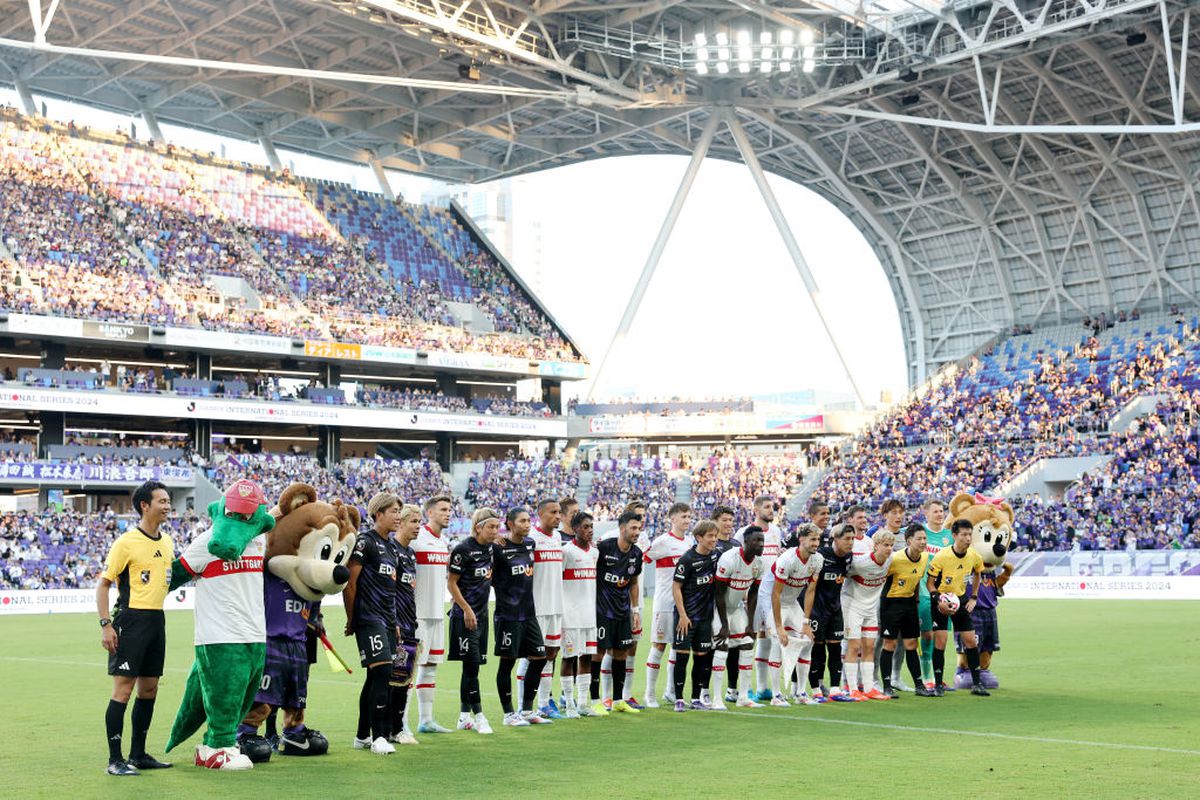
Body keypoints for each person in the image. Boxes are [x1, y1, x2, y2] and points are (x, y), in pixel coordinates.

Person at [97, 481, 175, 776]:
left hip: (157, 620)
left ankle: (138, 754)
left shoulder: (167, 542)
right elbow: (103, 586)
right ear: (145, 505)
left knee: (149, 689)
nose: (167, 506)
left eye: (168, 501)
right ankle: (115, 760)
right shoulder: (126, 542)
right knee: (124, 690)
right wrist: (106, 625)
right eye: (162, 501)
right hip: (131, 621)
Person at [345, 492, 402, 755]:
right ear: (378, 514)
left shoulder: (392, 548)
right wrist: (351, 617)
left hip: (388, 621)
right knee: (381, 673)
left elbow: (390, 590)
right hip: (368, 618)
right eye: (393, 511)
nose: (398, 516)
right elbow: (350, 582)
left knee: (375, 676)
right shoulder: (365, 542)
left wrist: (396, 623)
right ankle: (379, 736)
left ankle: (361, 736)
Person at [492, 507, 551, 726]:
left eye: (529, 520)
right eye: (523, 521)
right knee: (507, 664)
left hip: (529, 613)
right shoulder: (498, 548)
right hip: (508, 616)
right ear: (510, 524)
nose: (528, 524)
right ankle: (508, 714)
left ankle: (526, 710)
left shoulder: (530, 544)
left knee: (540, 658)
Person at [447, 508, 500, 735]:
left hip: (482, 616)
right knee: (471, 667)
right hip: (465, 617)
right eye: (491, 527)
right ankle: (479, 716)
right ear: (478, 527)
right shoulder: (462, 550)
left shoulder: (491, 549)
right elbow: (451, 584)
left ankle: (462, 716)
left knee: (472, 667)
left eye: (498, 527)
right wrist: (466, 609)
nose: (496, 531)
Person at [926, 519, 989, 697]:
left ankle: (977, 684)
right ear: (954, 536)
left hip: (960, 600)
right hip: (941, 601)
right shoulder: (942, 556)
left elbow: (978, 572)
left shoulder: (973, 556)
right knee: (940, 642)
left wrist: (974, 597)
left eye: (970, 535)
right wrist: (938, 600)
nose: (968, 538)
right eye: (964, 535)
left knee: (971, 641)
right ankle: (938, 685)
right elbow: (930, 583)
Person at [642, 502, 692, 708]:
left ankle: (671, 691)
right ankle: (649, 693)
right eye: (683, 517)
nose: (687, 520)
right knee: (659, 646)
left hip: (683, 605)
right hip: (664, 603)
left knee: (678, 647)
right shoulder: (662, 542)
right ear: (672, 519)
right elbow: (642, 559)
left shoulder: (690, 543)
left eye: (689, 517)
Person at [594, 510, 644, 714]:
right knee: (598, 653)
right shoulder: (604, 548)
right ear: (622, 528)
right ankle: (595, 700)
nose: (637, 532)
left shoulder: (636, 554)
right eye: (633, 528)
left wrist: (635, 610)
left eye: (639, 528)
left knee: (622, 654)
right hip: (602, 610)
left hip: (623, 611)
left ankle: (617, 700)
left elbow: (633, 583)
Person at [735, 496, 783, 704]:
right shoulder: (743, 533)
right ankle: (740, 689)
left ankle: (763, 688)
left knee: (768, 636)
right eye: (766, 507)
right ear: (755, 509)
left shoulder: (776, 532)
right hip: (751, 592)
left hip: (771, 593)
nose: (771, 510)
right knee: (749, 638)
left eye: (772, 507)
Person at [412, 495, 453, 733]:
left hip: (437, 613)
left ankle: (426, 720)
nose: (448, 513)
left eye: (449, 509)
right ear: (430, 513)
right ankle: (402, 722)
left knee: (431, 666)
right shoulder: (418, 539)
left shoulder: (442, 542)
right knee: (410, 668)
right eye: (443, 509)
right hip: (418, 614)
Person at [671, 520, 721, 711]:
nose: (714, 540)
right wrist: (683, 615)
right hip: (686, 618)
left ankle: (695, 699)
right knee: (682, 658)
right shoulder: (687, 559)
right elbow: (676, 587)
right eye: (710, 536)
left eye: (715, 536)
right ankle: (678, 700)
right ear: (699, 537)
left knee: (701, 659)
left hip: (705, 618)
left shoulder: (716, 556)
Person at [771, 523, 823, 705]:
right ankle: (776, 695)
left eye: (818, 539)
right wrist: (779, 626)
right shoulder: (787, 559)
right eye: (813, 539)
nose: (817, 543)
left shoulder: (818, 560)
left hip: (792, 602)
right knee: (778, 643)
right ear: (801, 539)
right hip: (773, 601)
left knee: (808, 641)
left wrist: (806, 622)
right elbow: (775, 593)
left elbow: (810, 591)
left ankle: (800, 693)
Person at [880, 523, 934, 697]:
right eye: (919, 538)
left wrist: (916, 602)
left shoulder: (925, 558)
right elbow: (880, 581)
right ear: (909, 540)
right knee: (890, 644)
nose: (923, 542)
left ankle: (919, 686)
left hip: (910, 604)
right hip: (891, 604)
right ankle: (887, 686)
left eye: (924, 538)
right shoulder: (895, 559)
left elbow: (917, 581)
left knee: (911, 645)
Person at [714, 524, 764, 708]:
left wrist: (751, 623)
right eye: (756, 541)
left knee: (747, 644)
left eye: (762, 541)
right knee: (722, 647)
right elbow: (718, 594)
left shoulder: (759, 563)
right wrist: (724, 625)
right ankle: (717, 698)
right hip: (718, 608)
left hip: (736, 609)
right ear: (745, 542)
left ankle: (742, 696)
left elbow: (753, 594)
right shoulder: (729, 559)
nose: (760, 544)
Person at [842, 531, 895, 700]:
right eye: (885, 545)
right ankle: (851, 689)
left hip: (871, 609)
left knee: (870, 647)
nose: (889, 549)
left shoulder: (891, 561)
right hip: (853, 607)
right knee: (854, 647)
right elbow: (842, 577)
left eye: (891, 545)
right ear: (875, 546)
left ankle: (869, 688)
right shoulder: (859, 563)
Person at [525, 498, 565, 718]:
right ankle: (525, 707)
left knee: (551, 653)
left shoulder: (557, 537)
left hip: (555, 605)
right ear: (540, 514)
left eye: (559, 512)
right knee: (532, 656)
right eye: (553, 512)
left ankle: (544, 704)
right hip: (536, 607)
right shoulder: (531, 538)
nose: (558, 516)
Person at [808, 524, 855, 701]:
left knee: (835, 649)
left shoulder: (849, 558)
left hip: (835, 608)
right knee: (817, 651)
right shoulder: (821, 556)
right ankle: (816, 689)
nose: (850, 543)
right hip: (817, 610)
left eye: (852, 539)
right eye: (846, 539)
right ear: (835, 539)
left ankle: (835, 689)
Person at [389, 503, 422, 744]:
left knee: (404, 679)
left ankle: (397, 726)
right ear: (400, 522)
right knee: (391, 679)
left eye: (420, 522)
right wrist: (395, 620)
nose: (418, 527)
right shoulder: (391, 550)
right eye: (414, 522)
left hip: (409, 623)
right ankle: (386, 728)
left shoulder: (410, 554)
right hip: (395, 623)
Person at [561, 510, 599, 717]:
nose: (589, 530)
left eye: (591, 527)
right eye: (585, 527)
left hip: (589, 615)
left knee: (587, 657)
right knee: (569, 658)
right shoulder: (566, 552)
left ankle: (584, 703)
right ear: (575, 529)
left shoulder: (594, 553)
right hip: (570, 614)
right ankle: (569, 704)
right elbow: (557, 582)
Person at [954, 560, 1014, 690]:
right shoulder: (964, 565)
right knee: (969, 645)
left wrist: (1002, 564)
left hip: (990, 611)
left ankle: (983, 671)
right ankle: (963, 671)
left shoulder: (990, 571)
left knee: (988, 645)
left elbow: (999, 581)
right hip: (970, 611)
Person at [919, 498, 952, 686]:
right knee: (927, 635)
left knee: (941, 638)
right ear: (926, 513)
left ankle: (937, 676)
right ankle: (927, 677)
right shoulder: (920, 533)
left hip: (943, 594)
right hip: (923, 591)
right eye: (936, 511)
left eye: (942, 511)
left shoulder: (948, 536)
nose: (940, 514)